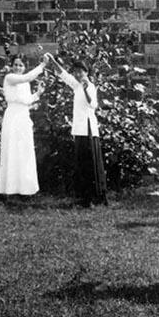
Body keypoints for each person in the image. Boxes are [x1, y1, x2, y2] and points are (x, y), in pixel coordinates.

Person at [47, 54, 107, 207]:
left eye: (81, 72)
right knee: (81, 163)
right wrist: (52, 61)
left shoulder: (91, 86)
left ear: (87, 72)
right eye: (76, 72)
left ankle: (95, 197)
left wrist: (87, 90)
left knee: (91, 163)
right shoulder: (76, 85)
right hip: (79, 129)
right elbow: (63, 74)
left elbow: (92, 105)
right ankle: (83, 197)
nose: (78, 74)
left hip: (89, 130)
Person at [0, 54, 48, 198]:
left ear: (24, 67)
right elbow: (26, 77)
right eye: (16, 64)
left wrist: (38, 93)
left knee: (24, 151)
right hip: (12, 117)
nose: (18, 67)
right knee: (12, 150)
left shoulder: (25, 83)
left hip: (23, 117)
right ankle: (8, 190)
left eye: (21, 65)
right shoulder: (10, 78)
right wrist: (42, 65)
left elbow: (27, 101)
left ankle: (25, 190)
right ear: (11, 66)